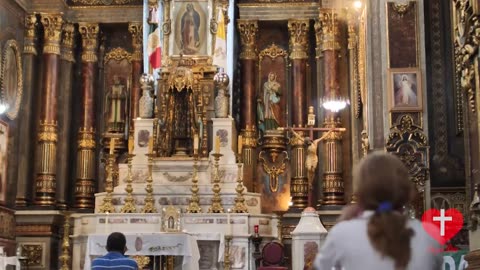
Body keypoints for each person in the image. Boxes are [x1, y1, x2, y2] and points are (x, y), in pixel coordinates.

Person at [314, 152, 443, 270]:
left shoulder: (342, 234)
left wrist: (342, 223)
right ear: (406, 189)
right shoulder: (429, 235)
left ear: (360, 192)